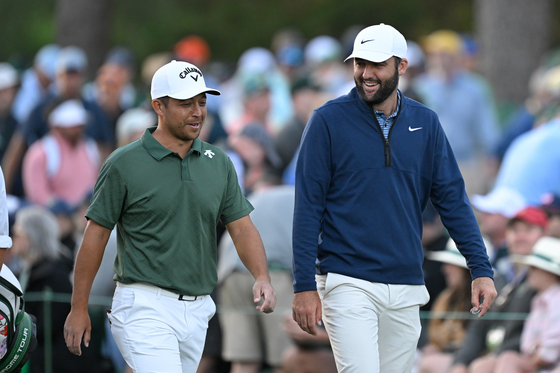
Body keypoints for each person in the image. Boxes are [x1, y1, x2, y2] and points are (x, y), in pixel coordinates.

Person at [291, 23, 497, 373]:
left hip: (406, 281)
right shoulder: (327, 121)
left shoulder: (426, 123)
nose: (366, 74)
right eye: (359, 64)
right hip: (347, 279)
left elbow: (453, 201)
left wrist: (481, 268)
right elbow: (308, 207)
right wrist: (303, 286)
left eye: (377, 65)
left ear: (401, 66)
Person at [63, 60, 277, 373]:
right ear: (158, 106)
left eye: (202, 102)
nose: (197, 111)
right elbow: (95, 236)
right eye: (185, 103)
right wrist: (78, 306)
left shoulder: (218, 162)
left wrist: (261, 275)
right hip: (143, 304)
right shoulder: (124, 163)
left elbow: (242, 227)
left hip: (198, 308)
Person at [11, 205, 103, 373]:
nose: (12, 238)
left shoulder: (55, 276)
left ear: (32, 236)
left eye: (18, 232)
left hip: (56, 364)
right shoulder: (22, 272)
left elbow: (45, 329)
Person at [217, 181, 294, 373]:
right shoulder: (307, 200)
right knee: (284, 358)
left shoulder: (268, 194)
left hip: (230, 271)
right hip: (273, 272)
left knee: (244, 359)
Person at [491, 236, 560, 373]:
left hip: (550, 367)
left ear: (550, 273)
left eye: (534, 267)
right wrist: (535, 349)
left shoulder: (556, 299)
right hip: (540, 364)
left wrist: (535, 351)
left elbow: (548, 354)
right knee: (491, 363)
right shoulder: (538, 299)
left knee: (508, 359)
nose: (529, 272)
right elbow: (527, 345)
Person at [417, 239, 482, 373]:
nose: (445, 269)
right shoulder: (446, 297)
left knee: (428, 364)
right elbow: (434, 333)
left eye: (452, 265)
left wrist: (444, 350)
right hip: (448, 356)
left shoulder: (481, 300)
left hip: (469, 359)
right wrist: (434, 347)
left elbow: (477, 337)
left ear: (466, 270)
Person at [21, 99, 101, 208]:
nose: (78, 130)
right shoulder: (40, 153)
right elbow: (38, 196)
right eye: (72, 127)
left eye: (80, 126)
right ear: (57, 127)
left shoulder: (90, 148)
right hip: (55, 219)